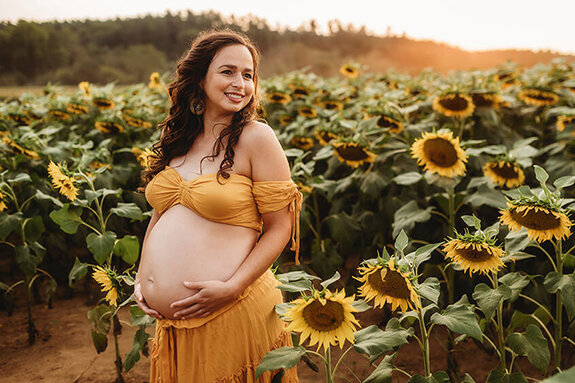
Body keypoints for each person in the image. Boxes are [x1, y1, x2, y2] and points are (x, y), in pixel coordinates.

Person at [133, 29, 301, 382]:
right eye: (227, 71)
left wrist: (233, 286)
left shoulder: (257, 138)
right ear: (199, 78)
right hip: (174, 323)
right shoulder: (178, 137)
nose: (240, 82)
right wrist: (142, 277)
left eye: (248, 74)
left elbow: (280, 227)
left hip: (233, 309)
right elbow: (161, 214)